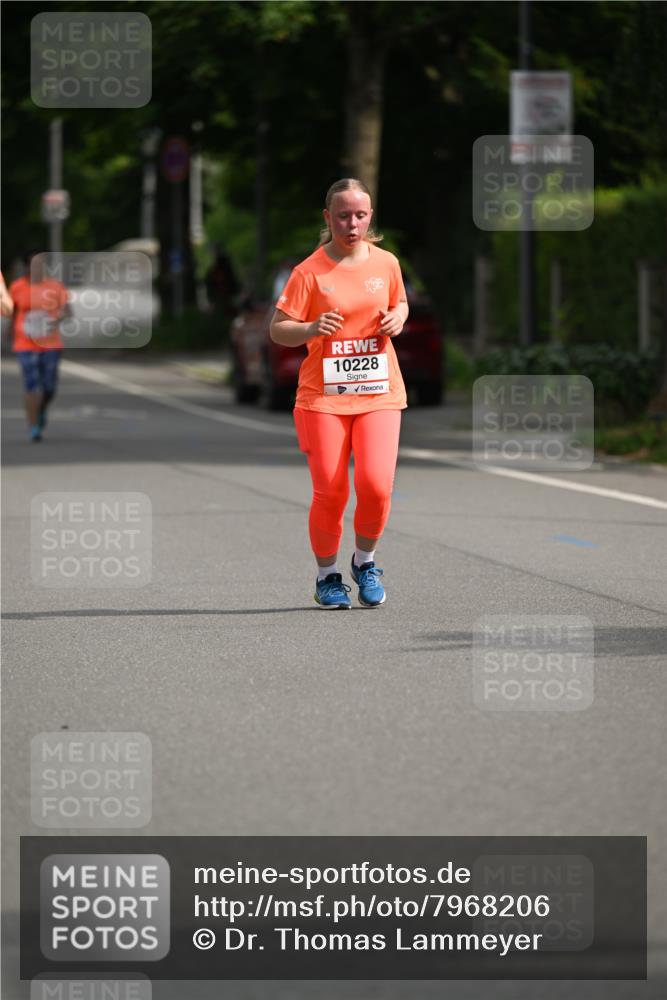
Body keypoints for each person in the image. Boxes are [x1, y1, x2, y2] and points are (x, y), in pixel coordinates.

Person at [269, 178, 409, 609]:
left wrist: (398, 318)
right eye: (344, 215)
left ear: (371, 217)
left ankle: (364, 562)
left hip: (379, 392)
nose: (353, 223)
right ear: (328, 218)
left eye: (361, 215)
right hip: (323, 398)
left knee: (376, 486)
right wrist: (310, 328)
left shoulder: (386, 263)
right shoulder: (309, 273)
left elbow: (401, 303)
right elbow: (278, 328)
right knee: (331, 492)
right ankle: (327, 576)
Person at [8, 250, 70, 442]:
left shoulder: (55, 287)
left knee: (49, 386)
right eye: (34, 264)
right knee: (31, 384)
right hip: (24, 343)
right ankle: (33, 427)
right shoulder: (18, 287)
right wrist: (8, 334)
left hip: (50, 344)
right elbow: (12, 312)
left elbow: (67, 312)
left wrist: (57, 320)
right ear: (28, 266)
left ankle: (41, 409)